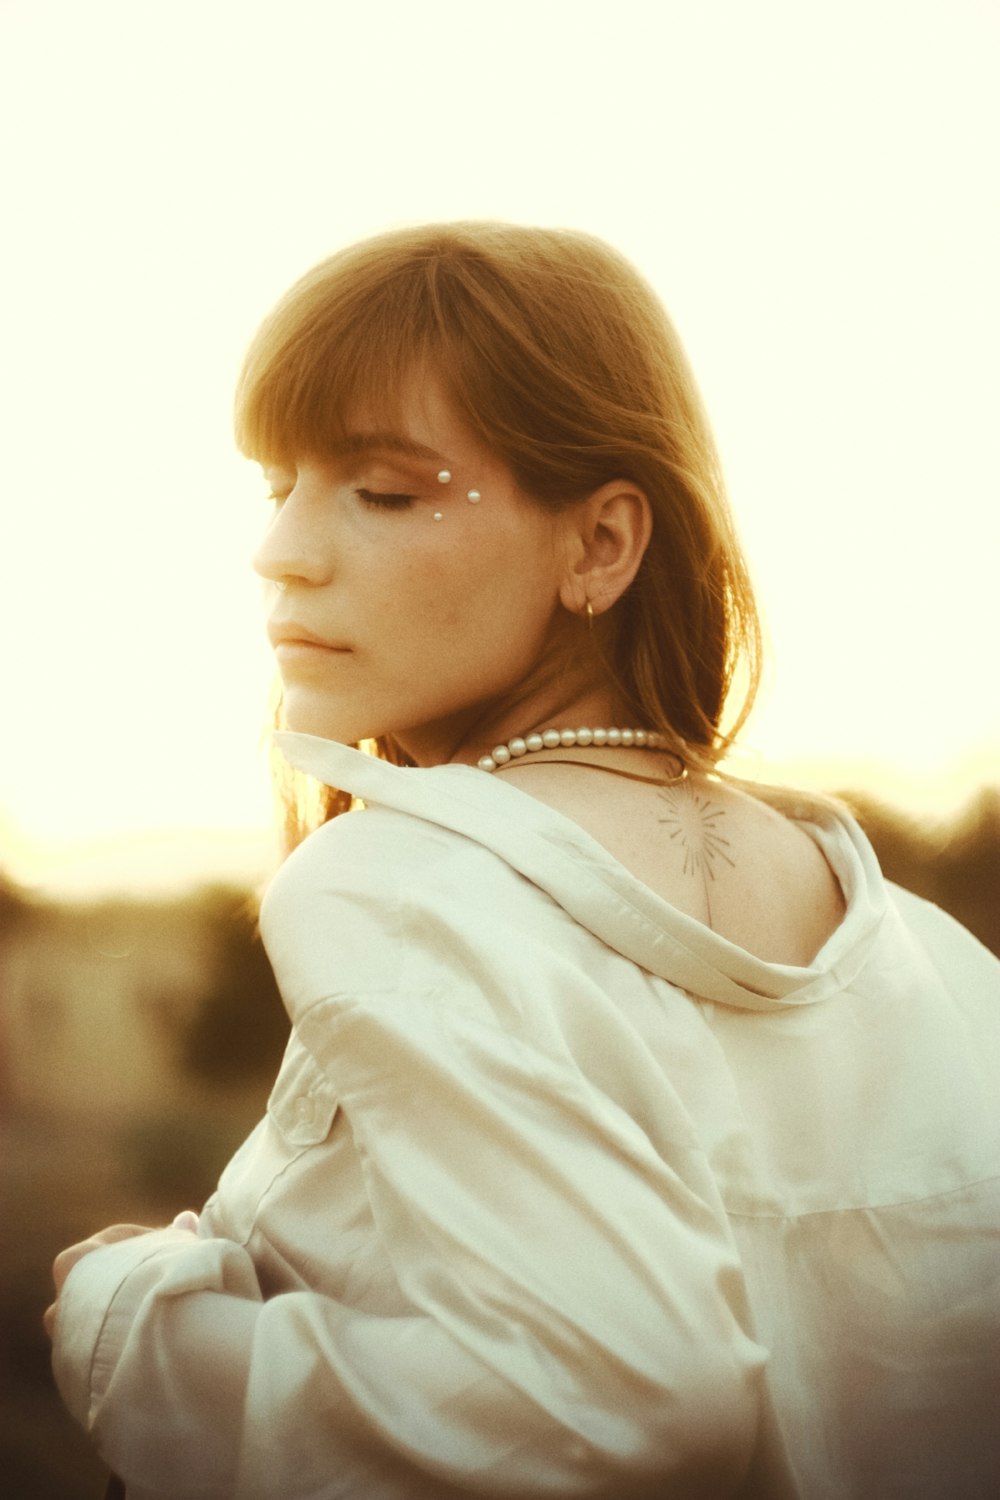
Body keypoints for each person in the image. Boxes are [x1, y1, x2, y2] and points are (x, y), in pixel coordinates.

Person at [47, 222, 1000, 1499]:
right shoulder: (927, 958)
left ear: (600, 545)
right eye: (280, 486)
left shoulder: (403, 884)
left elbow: (614, 1407)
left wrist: (128, 1326)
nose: (280, 551)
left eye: (382, 491)